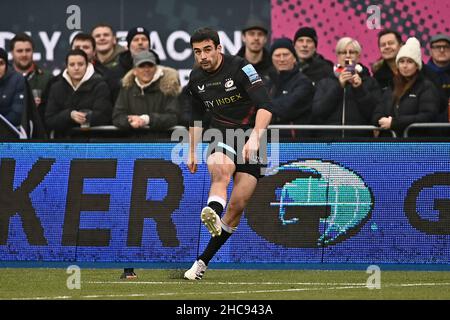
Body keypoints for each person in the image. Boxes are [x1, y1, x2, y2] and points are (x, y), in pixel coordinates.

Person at [183, 27, 272, 280]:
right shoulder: (195, 78)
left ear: (219, 48)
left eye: (207, 50)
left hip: (251, 136)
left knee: (238, 205)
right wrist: (191, 150)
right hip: (220, 134)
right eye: (197, 51)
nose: (203, 56)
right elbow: (195, 116)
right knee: (220, 170)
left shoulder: (241, 68)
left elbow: (266, 106)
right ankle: (212, 208)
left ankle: (201, 263)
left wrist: (255, 138)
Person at [312, 37, 381, 137]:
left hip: (359, 142)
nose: (348, 56)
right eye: (343, 52)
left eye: (352, 52)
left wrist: (359, 89)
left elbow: (374, 113)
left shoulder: (370, 82)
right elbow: (318, 111)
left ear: (358, 56)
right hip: (330, 141)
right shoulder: (325, 82)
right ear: (337, 56)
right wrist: (338, 87)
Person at [372, 37, 441, 137]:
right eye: (401, 61)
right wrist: (380, 120)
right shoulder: (392, 85)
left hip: (416, 144)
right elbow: (378, 111)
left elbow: (427, 116)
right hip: (390, 144)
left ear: (417, 65)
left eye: (409, 61)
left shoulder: (426, 86)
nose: (405, 66)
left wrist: (395, 123)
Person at [45, 49, 112, 137]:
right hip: (64, 143)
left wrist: (84, 117)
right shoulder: (56, 87)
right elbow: (49, 119)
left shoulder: (100, 85)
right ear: (66, 67)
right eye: (72, 65)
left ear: (87, 65)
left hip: (92, 141)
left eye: (80, 64)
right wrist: (69, 115)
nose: (76, 68)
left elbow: (104, 116)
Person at [112, 50, 181, 137]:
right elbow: (117, 116)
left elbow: (173, 117)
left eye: (150, 65)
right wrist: (130, 121)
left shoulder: (168, 88)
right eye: (141, 66)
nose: (146, 69)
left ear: (156, 68)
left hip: (160, 144)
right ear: (134, 71)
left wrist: (147, 119)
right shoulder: (126, 88)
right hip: (132, 144)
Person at [266, 38, 314, 139]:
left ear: (294, 58)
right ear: (272, 59)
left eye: (286, 55)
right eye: (277, 55)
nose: (282, 59)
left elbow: (286, 108)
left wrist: (263, 112)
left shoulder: (304, 82)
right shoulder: (268, 83)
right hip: (269, 141)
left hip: (295, 143)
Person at [107, 26, 160, 103]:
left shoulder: (159, 71)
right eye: (135, 40)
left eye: (144, 39)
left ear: (149, 45)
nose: (140, 42)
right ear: (128, 45)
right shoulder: (114, 73)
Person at [10, 33, 53, 122]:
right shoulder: (4, 78)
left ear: (33, 51)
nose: (24, 54)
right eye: (19, 51)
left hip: (39, 131)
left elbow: (54, 109)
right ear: (12, 53)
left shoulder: (47, 78)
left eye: (28, 50)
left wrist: (41, 105)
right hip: (9, 132)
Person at [236, 17, 275, 83]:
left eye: (260, 34)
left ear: (265, 39)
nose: (256, 38)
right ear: (243, 37)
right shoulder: (234, 66)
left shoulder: (274, 67)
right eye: (251, 34)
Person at [426, 33, 450, 124]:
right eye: (437, 47)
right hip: (428, 128)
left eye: (446, 47)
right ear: (430, 51)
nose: (442, 50)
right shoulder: (422, 74)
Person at [0, 47, 26, 128]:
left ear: (6, 65)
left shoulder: (17, 79)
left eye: (1, 63)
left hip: (9, 132)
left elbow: (16, 114)